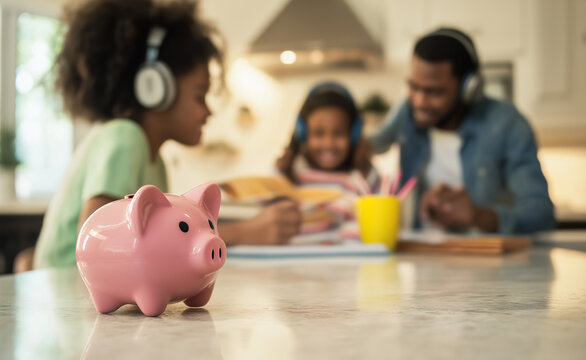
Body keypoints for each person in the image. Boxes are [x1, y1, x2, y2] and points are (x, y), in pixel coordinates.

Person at [33, 0, 300, 269]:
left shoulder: (155, 162)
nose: (208, 112)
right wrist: (243, 232)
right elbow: (101, 248)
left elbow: (155, 243)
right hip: (66, 297)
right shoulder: (125, 138)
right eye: (200, 96)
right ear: (155, 88)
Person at [366, 27, 555, 234]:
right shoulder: (407, 112)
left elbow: (540, 215)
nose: (420, 101)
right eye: (414, 87)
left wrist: (477, 215)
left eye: (434, 92)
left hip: (488, 260)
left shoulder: (507, 124)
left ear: (469, 88)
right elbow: (372, 145)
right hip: (421, 257)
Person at [277, 81, 379, 222]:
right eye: (319, 133)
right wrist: (282, 171)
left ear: (353, 135)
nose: (328, 143)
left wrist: (365, 168)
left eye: (338, 133)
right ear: (304, 134)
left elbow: (378, 205)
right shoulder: (295, 172)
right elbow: (267, 203)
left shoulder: (359, 177)